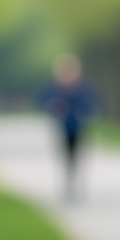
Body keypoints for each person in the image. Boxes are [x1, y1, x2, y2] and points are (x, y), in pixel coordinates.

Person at [38, 53, 98, 201]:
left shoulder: (83, 88)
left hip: (79, 127)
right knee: (65, 156)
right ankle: (68, 184)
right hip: (62, 127)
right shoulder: (54, 88)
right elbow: (44, 102)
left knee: (77, 156)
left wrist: (85, 111)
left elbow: (92, 103)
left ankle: (75, 183)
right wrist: (55, 109)